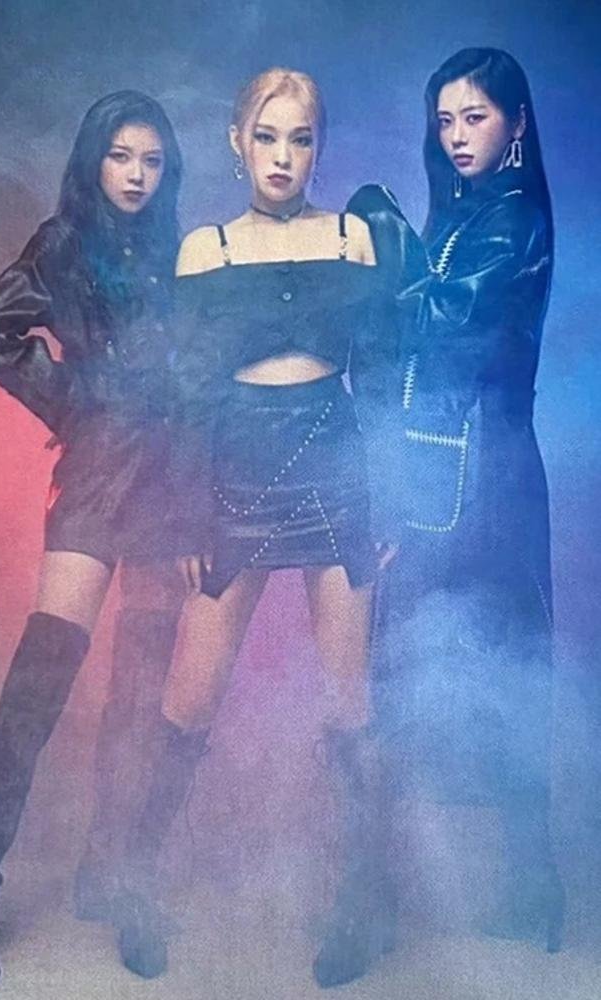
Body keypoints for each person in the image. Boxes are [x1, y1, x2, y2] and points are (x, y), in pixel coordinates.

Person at [110, 67, 402, 989]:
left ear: (319, 146)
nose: (283, 157)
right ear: (237, 141)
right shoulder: (206, 248)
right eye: (266, 136)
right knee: (189, 699)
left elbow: (382, 378)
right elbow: (186, 399)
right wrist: (189, 509)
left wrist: (389, 498)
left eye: (300, 138)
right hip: (235, 469)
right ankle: (134, 888)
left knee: (351, 704)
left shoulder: (353, 237)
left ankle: (362, 902)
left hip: (336, 462)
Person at [0, 90, 183, 990]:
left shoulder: (179, 250)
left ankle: (115, 878)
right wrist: (75, 401)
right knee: (40, 680)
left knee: (142, 687)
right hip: (96, 475)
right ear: (94, 159)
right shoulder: (62, 241)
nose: (135, 175)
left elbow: (202, 384)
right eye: (121, 156)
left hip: (168, 482)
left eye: (151, 160)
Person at [350, 47, 564, 952]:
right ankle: (388, 894)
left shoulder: (513, 221)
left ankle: (409, 898)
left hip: (484, 489)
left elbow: (437, 325)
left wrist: (378, 224)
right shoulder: (465, 215)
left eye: (475, 116)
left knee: (485, 681)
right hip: (445, 475)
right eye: (444, 120)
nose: (456, 136)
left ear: (516, 122)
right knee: (418, 680)